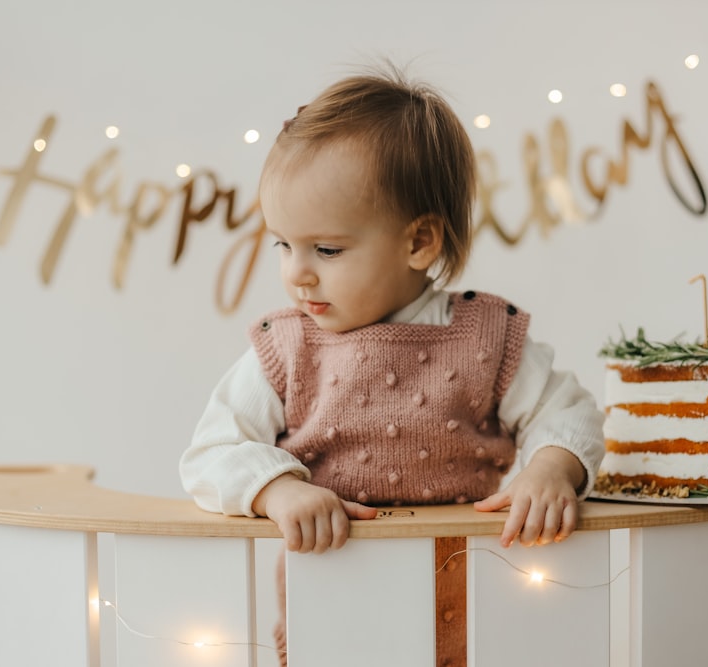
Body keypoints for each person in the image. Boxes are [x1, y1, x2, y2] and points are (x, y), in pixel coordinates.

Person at [179, 64, 605, 664]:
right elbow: (210, 453)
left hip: (475, 605)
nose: (296, 273)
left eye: (326, 249)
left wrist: (552, 469)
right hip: (335, 602)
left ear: (418, 243)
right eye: (283, 244)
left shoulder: (485, 337)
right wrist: (275, 490)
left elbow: (568, 412)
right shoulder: (287, 350)